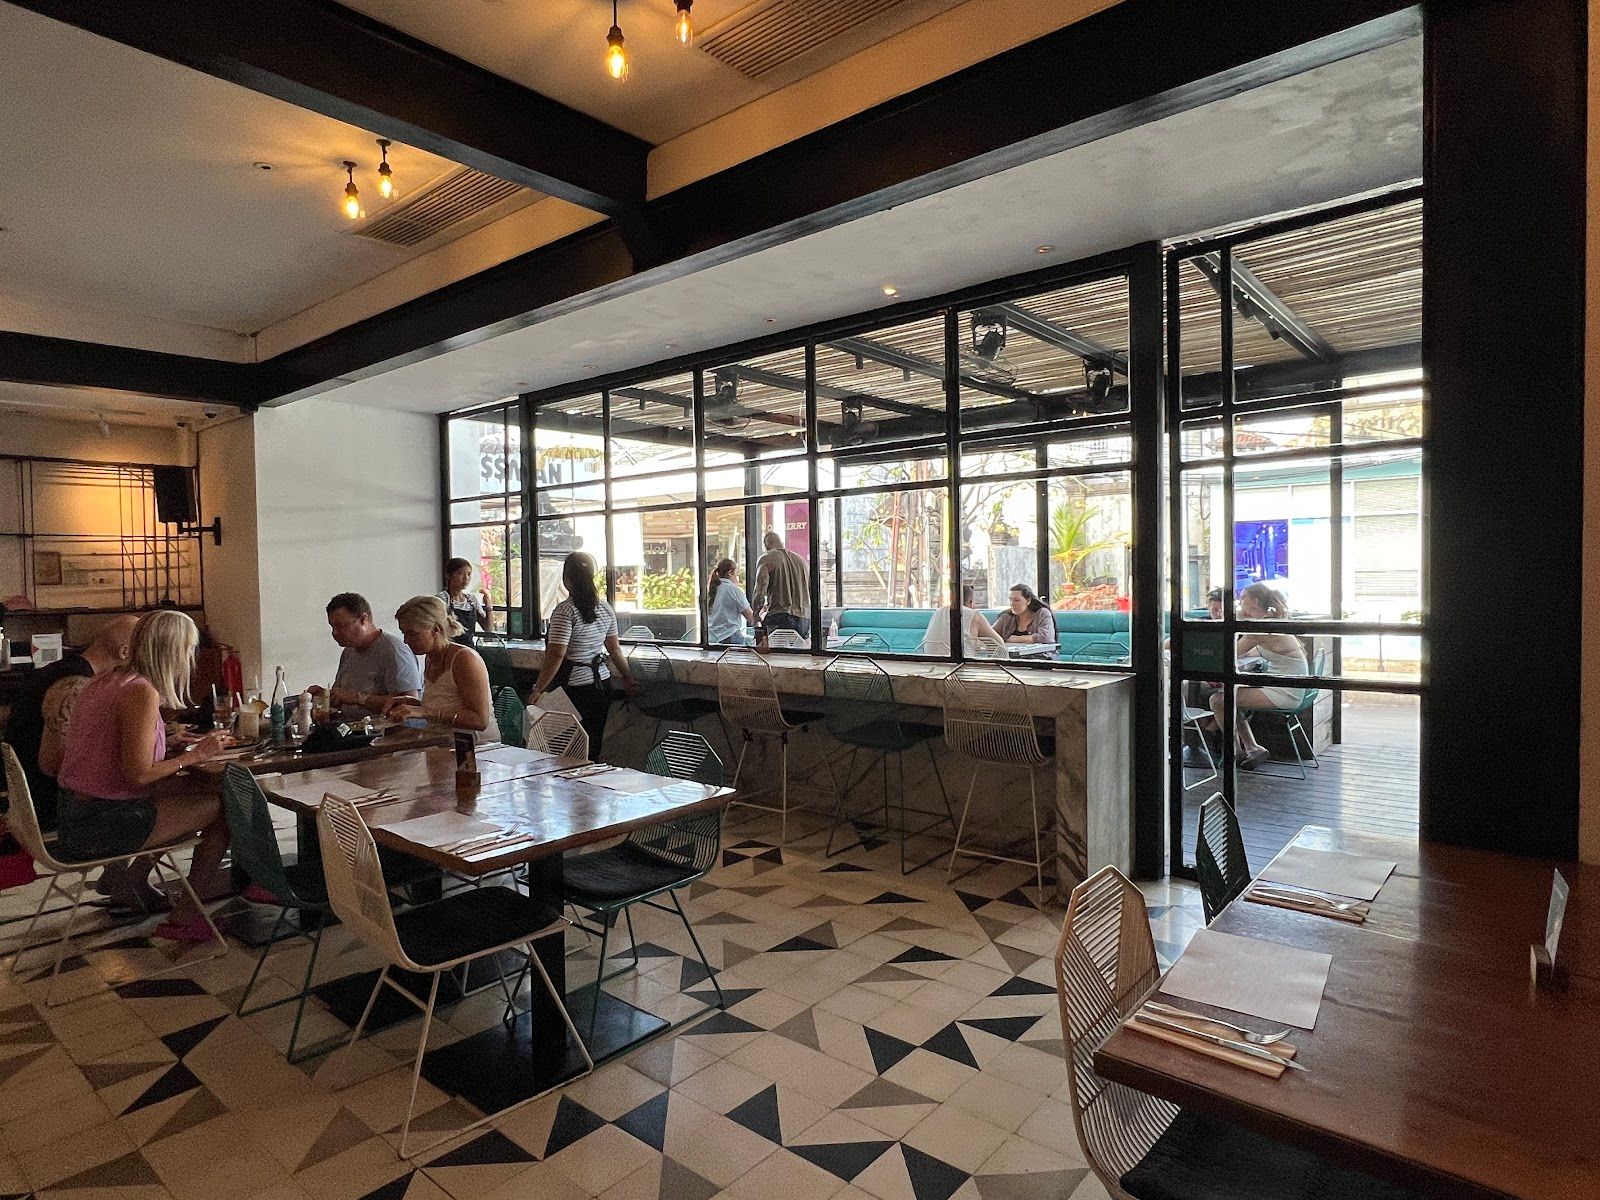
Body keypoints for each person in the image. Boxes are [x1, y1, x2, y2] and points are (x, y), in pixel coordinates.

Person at [55, 611, 231, 940]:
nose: (190, 657)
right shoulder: (141, 692)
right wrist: (197, 755)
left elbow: (111, 747)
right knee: (223, 810)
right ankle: (186, 917)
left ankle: (131, 881)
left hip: (73, 811)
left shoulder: (104, 681)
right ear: (172, 650)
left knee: (187, 790)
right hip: (99, 823)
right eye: (189, 649)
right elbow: (138, 774)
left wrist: (168, 741)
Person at [8, 615, 138, 831]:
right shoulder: (77, 685)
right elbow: (56, 764)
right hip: (52, 804)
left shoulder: (60, 668)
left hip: (25, 794)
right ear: (124, 652)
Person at [526, 552, 636, 759]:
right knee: (593, 745)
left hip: (573, 688)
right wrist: (628, 678)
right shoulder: (605, 608)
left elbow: (556, 654)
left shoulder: (564, 611)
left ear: (566, 579)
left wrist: (539, 688)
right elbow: (614, 650)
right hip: (601, 685)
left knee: (567, 749)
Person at [1207, 582, 1308, 770]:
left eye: (1243, 598)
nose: (1239, 602)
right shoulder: (1268, 622)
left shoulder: (1261, 627)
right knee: (1229, 696)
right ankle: (1252, 748)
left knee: (1218, 700)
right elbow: (1249, 651)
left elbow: (1231, 652)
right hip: (1288, 687)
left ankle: (1235, 751)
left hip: (1285, 692)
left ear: (1253, 601)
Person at [383, 596, 492, 739]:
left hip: (476, 745)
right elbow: (448, 705)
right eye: (404, 633)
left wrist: (424, 711)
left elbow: (479, 720)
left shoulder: (465, 659)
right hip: (443, 741)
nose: (405, 641)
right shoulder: (430, 658)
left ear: (436, 629)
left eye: (412, 634)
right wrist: (413, 704)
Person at [311, 592, 423, 715]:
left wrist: (358, 698)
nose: (335, 633)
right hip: (350, 724)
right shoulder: (349, 651)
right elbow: (343, 697)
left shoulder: (394, 651)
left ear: (363, 619)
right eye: (332, 627)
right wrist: (325, 696)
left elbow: (410, 703)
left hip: (384, 726)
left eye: (341, 626)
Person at [751, 531, 811, 640]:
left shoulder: (767, 558)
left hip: (780, 616)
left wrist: (755, 615)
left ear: (767, 545)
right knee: (799, 650)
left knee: (770, 649)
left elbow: (760, 591)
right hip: (804, 619)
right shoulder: (802, 562)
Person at [921, 584, 999, 656]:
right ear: (971, 602)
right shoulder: (973, 615)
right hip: (961, 665)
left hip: (929, 664)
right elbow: (999, 644)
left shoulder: (938, 612)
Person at [438, 557, 492, 646]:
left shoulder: (471, 600)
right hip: (449, 648)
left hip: (469, 649)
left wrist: (488, 605)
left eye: (469, 574)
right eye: (460, 573)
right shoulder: (442, 599)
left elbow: (488, 628)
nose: (466, 578)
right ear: (449, 575)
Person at [706, 559, 755, 646]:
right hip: (731, 636)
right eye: (737, 573)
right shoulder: (734, 590)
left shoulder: (710, 590)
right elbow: (750, 617)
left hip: (712, 638)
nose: (737, 576)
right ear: (730, 573)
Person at [993, 584, 1058, 647]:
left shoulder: (1042, 613)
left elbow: (1046, 638)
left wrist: (1014, 639)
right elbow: (991, 635)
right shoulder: (1006, 617)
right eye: (1010, 600)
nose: (1012, 603)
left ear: (1028, 601)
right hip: (1012, 654)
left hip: (1041, 653)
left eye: (1017, 600)